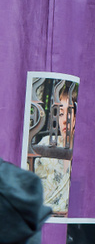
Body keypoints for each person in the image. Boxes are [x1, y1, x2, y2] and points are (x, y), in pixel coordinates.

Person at [33, 82, 77, 215]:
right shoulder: (46, 144)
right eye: (61, 113)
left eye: (69, 113)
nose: (64, 120)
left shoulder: (87, 152)